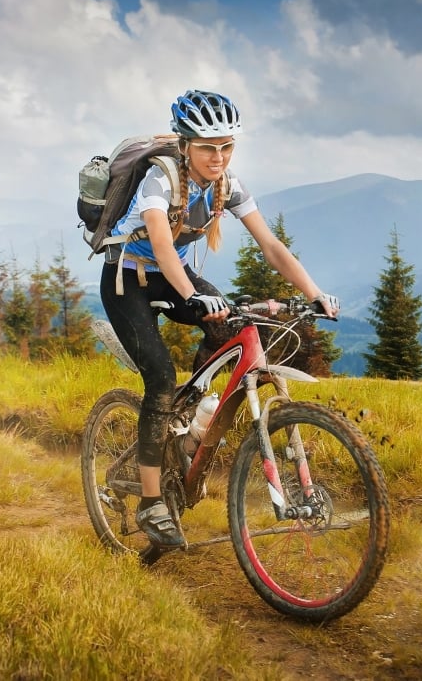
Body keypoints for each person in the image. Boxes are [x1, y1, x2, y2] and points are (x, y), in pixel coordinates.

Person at [100, 89, 340, 549]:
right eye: (208, 147)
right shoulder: (160, 179)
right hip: (128, 279)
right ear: (185, 144)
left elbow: (271, 246)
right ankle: (151, 501)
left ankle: (195, 417)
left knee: (236, 330)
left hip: (176, 277)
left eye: (227, 146)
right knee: (160, 379)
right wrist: (193, 296)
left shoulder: (229, 185)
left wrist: (314, 294)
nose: (219, 156)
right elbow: (164, 248)